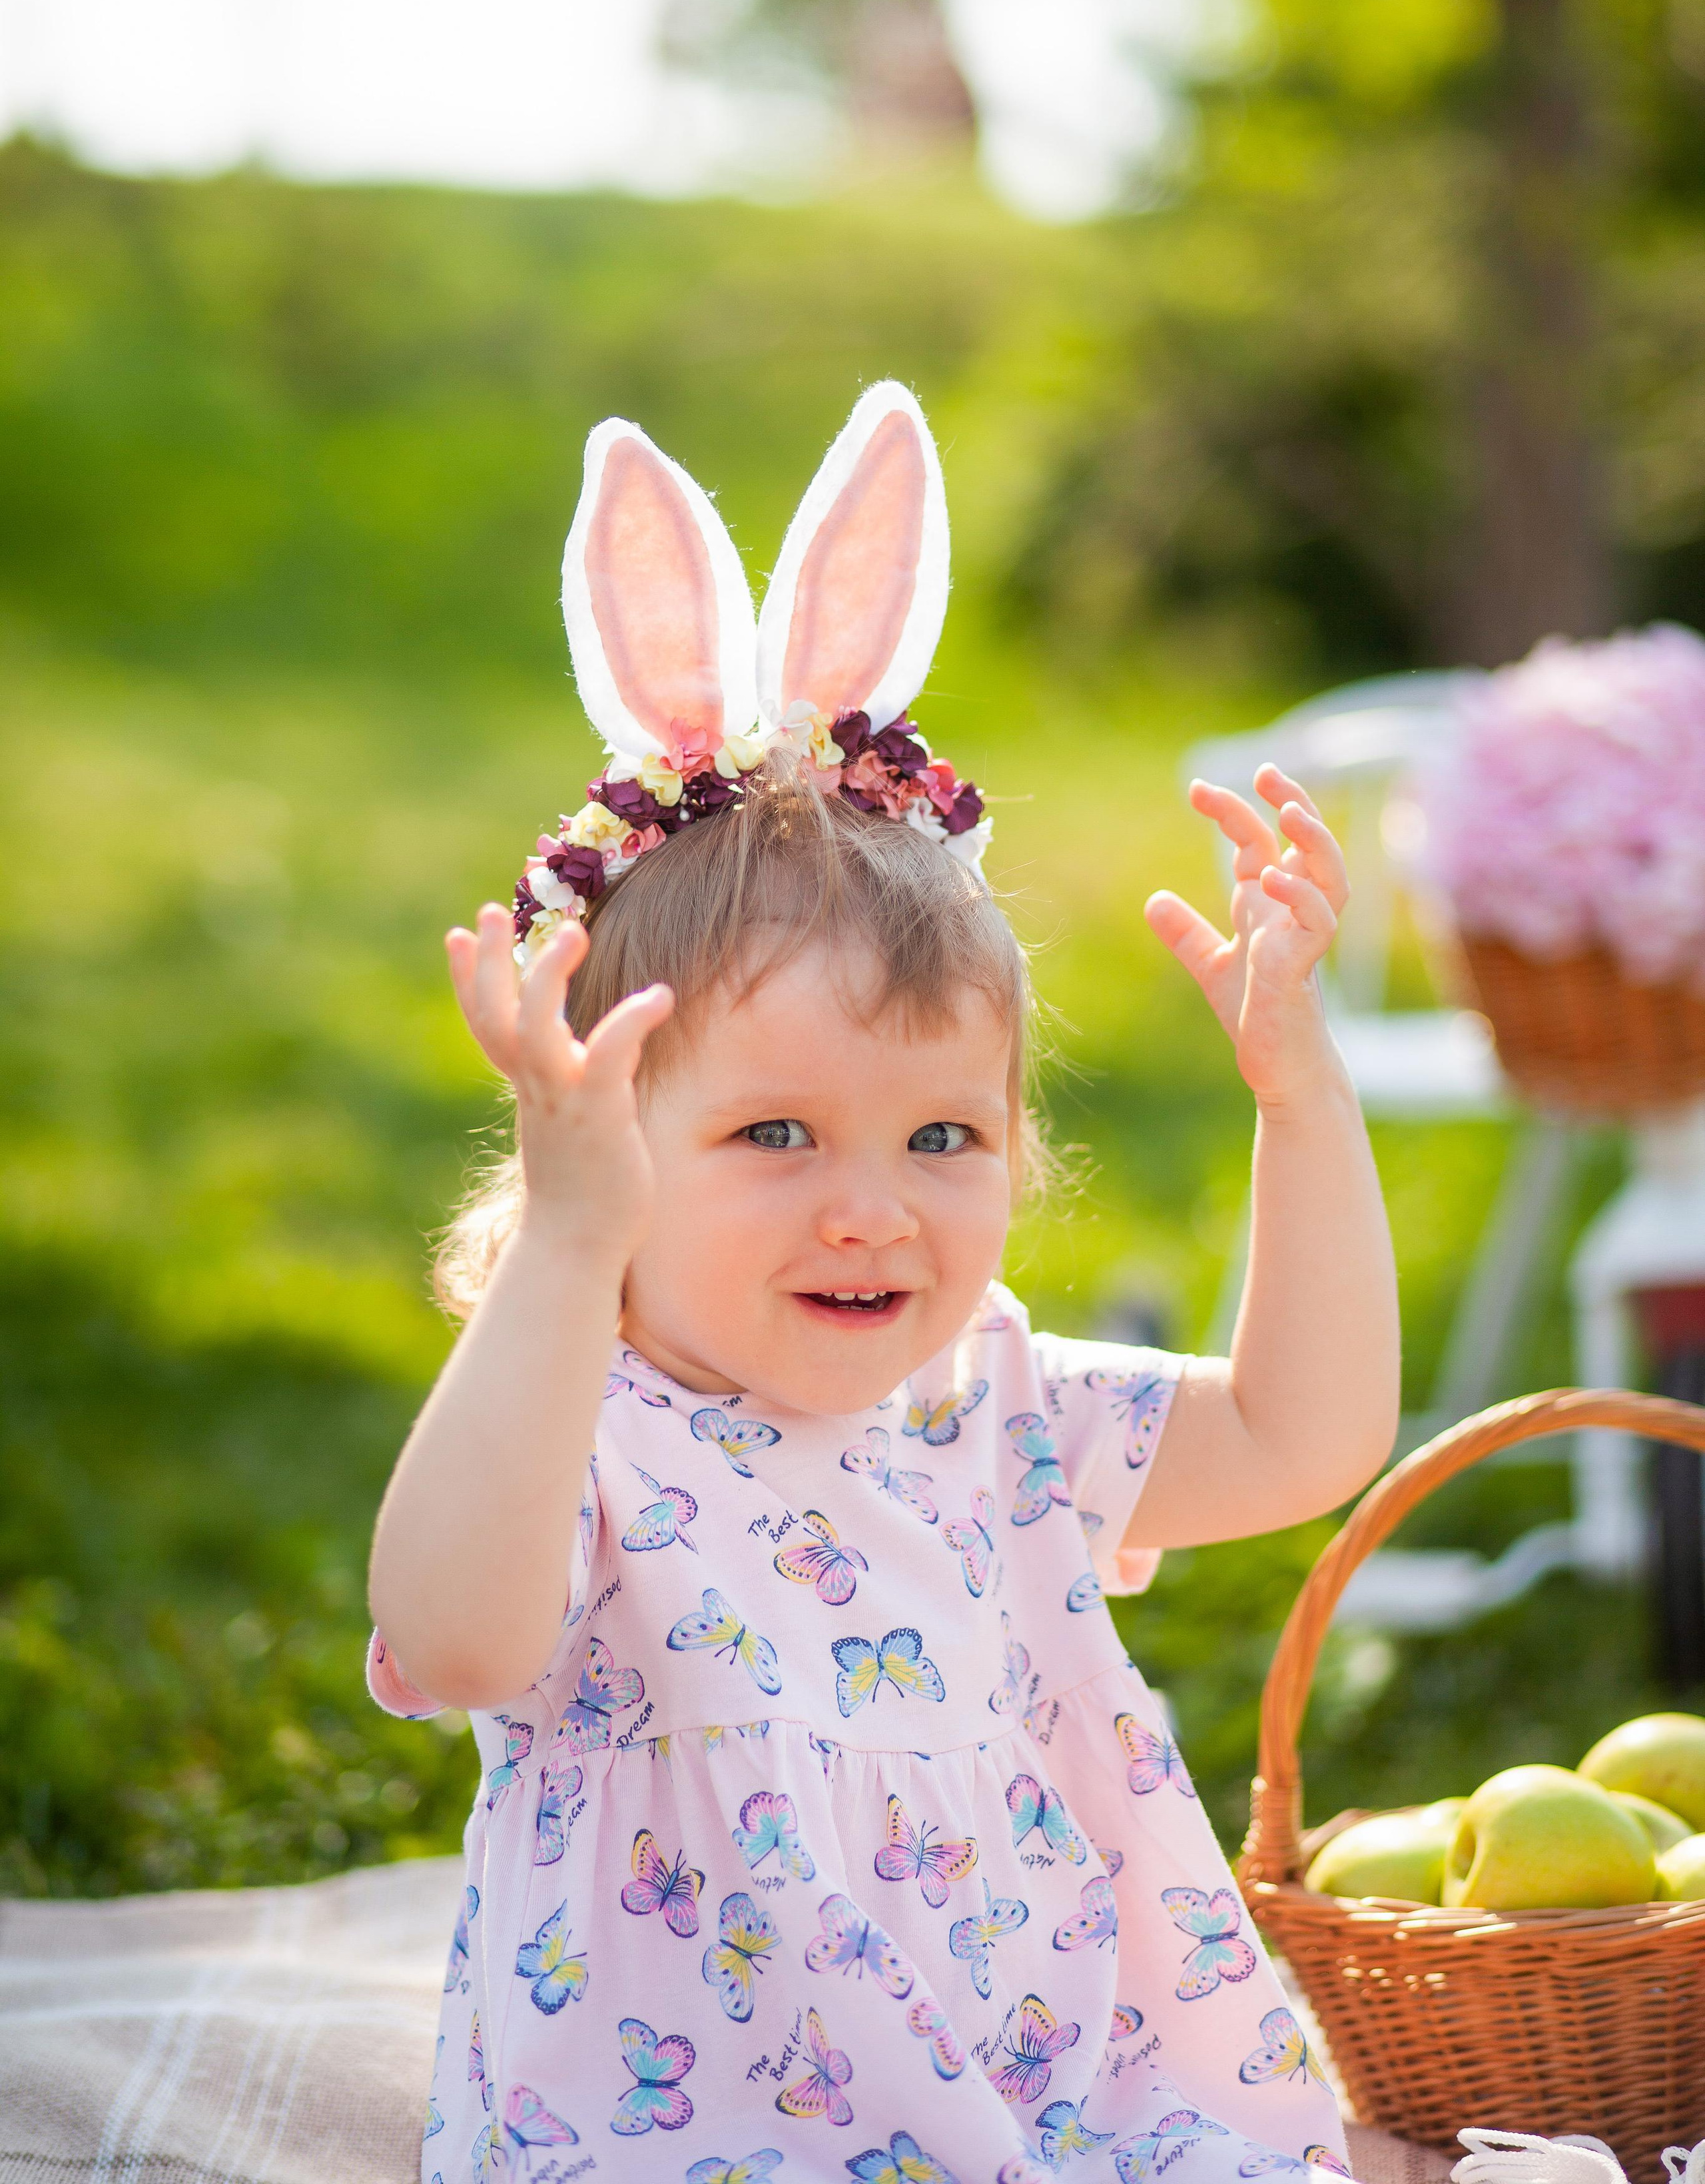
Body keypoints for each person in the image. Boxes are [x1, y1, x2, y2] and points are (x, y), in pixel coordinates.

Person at [366, 384, 1399, 2184]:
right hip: (684, 2142)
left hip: (1051, 2107)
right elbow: (454, 1637)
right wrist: (566, 1253)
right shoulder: (582, 1432)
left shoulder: (989, 1405)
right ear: (601, 1141)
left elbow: (1309, 1437)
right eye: (776, 1137)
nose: (873, 1212)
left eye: (941, 1141)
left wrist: (1299, 1101)